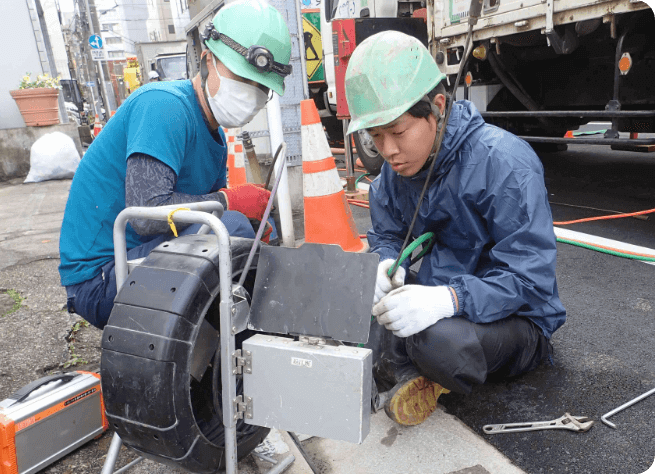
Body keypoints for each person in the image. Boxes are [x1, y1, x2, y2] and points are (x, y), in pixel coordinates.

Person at [345, 31, 566, 426]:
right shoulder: (398, 172)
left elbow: (529, 280)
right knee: (359, 302)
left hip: (518, 317)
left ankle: (415, 366)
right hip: (446, 292)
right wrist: (384, 263)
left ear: (437, 106)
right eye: (375, 136)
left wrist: (448, 300)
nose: (388, 150)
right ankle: (411, 366)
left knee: (440, 343)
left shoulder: (503, 163)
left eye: (397, 132)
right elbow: (387, 234)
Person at [59, 0, 292, 330]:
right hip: (100, 276)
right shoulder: (163, 106)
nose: (251, 94)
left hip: (134, 262)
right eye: (243, 78)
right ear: (207, 60)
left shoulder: (214, 139)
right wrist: (229, 201)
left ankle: (245, 349)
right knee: (232, 231)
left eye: (261, 88)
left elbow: (199, 217)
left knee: (248, 237)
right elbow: (145, 213)